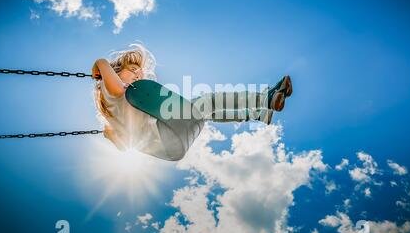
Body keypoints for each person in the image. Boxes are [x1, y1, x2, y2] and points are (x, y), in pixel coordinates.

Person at [92, 42, 292, 159]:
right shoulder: (114, 93)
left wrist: (110, 135)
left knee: (206, 113)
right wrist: (101, 64)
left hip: (170, 144)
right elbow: (114, 83)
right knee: (207, 102)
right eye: (133, 71)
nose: (138, 75)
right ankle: (266, 98)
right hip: (166, 133)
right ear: (115, 72)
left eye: (141, 73)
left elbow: (125, 146)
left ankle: (259, 112)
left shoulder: (119, 116)